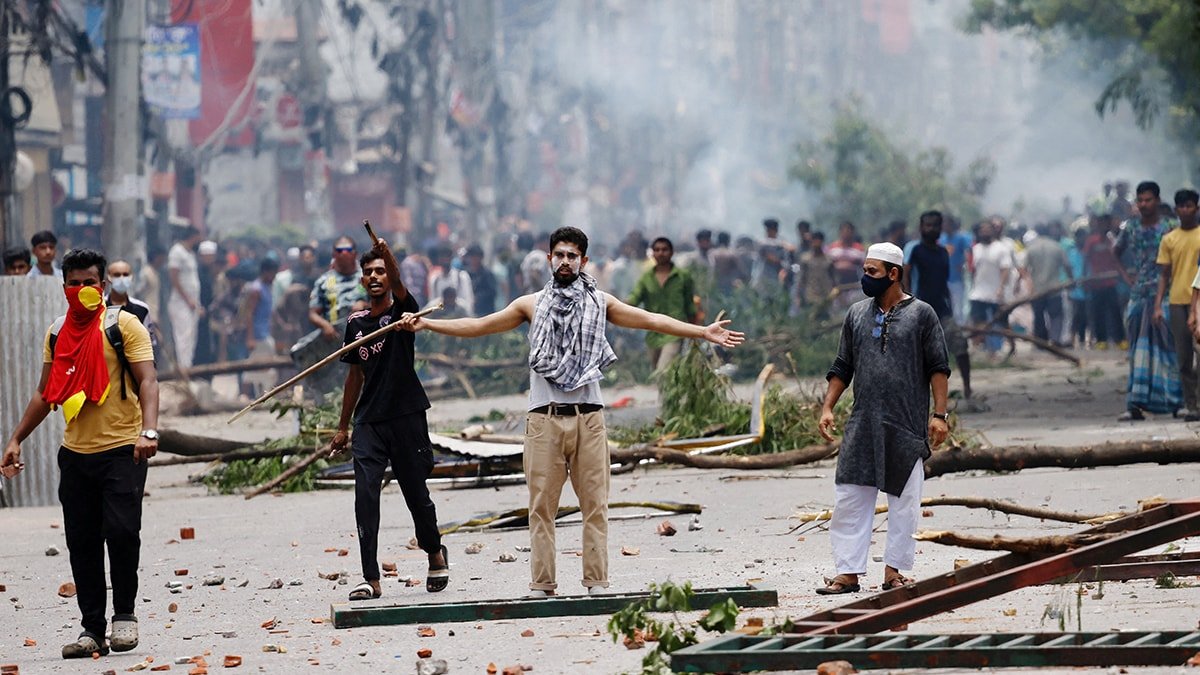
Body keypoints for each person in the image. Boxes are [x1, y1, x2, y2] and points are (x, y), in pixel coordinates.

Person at [397, 227, 744, 596]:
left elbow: (650, 319)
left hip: (589, 418)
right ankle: (542, 585)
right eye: (559, 255)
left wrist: (701, 332)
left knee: (595, 505)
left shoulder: (601, 302)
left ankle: (597, 582)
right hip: (543, 418)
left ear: (584, 261)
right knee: (541, 508)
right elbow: (480, 326)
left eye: (572, 256)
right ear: (550, 259)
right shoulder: (528, 304)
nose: (565, 261)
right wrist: (427, 323)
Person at [1, 248, 158, 659]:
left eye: (90, 282)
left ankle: (124, 615)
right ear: (64, 287)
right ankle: (92, 629)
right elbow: (44, 392)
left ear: (103, 286)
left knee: (122, 533)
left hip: (123, 449)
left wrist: (149, 430)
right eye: (74, 283)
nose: (82, 289)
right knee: (82, 542)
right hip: (75, 454)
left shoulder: (124, 326)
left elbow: (149, 382)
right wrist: (17, 438)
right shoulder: (57, 332)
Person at [815, 242, 950, 595]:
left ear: (894, 274)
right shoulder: (857, 314)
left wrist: (939, 415)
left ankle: (894, 572)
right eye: (864, 270)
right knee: (849, 497)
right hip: (862, 423)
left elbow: (938, 367)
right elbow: (843, 365)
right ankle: (847, 573)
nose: (865, 277)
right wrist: (828, 406)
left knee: (905, 503)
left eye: (871, 272)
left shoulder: (923, 314)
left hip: (904, 424)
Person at [330, 237, 449, 602]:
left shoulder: (403, 314)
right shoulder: (356, 324)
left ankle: (434, 552)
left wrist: (388, 254)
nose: (375, 276)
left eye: (380, 270)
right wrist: (343, 426)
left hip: (407, 416)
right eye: (369, 272)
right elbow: (354, 377)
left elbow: (400, 285)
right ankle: (371, 578)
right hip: (370, 422)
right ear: (363, 281)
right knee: (365, 495)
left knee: (416, 494)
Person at [1115, 181, 1180, 420]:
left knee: (1168, 347)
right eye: (1140, 200)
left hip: (1169, 292)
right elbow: (1116, 251)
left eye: (1148, 200)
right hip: (1140, 293)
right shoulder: (1130, 227)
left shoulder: (1171, 226)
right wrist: (1127, 277)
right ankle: (1136, 402)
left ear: (1158, 201)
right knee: (1138, 349)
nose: (1143, 205)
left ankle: (1175, 401)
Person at [904, 211, 973, 402]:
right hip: (919, 309)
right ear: (921, 227)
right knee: (917, 353)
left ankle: (967, 388)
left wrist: (949, 304)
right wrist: (907, 300)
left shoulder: (943, 252)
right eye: (927, 225)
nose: (931, 229)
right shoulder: (915, 250)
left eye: (935, 225)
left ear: (941, 228)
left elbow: (943, 282)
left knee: (959, 344)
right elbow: (906, 274)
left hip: (942, 309)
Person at [627, 237, 697, 372]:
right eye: (657, 250)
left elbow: (690, 305)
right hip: (653, 332)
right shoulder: (646, 278)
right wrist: (620, 303)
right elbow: (635, 298)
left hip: (675, 330)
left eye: (664, 250)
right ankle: (670, 394)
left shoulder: (683, 276)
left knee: (663, 370)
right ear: (652, 253)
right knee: (659, 373)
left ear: (671, 252)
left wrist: (695, 332)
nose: (661, 253)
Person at [1160, 189, 1200, 420]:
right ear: (1176, 210)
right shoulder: (1169, 239)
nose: (1185, 210)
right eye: (1181, 207)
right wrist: (1158, 304)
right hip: (1176, 300)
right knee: (1184, 357)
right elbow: (1164, 274)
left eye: (1189, 205)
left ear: (1196, 208)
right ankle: (1192, 405)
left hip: (1199, 301)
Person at [967, 220, 1013, 355]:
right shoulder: (976, 249)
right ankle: (978, 348)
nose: (985, 233)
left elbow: (1005, 269)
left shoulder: (1001, 248)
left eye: (987, 230)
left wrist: (1001, 287)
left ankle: (1012, 345)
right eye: (982, 230)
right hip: (978, 292)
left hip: (996, 292)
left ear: (993, 232)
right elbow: (973, 269)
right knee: (977, 321)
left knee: (1001, 321)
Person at [1024, 224, 1073, 345]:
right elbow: (1067, 266)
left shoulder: (1031, 248)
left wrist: (1028, 283)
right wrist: (1071, 279)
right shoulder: (1056, 247)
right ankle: (1055, 339)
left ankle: (1041, 341)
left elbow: (1024, 268)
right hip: (1054, 289)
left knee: (1039, 316)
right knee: (1056, 316)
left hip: (1037, 289)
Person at [238, 257, 280, 397]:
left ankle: (262, 394)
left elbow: (270, 311)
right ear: (265, 272)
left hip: (265, 332)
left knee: (265, 366)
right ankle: (245, 394)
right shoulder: (256, 289)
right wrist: (250, 337)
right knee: (255, 365)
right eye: (273, 273)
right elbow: (249, 314)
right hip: (257, 334)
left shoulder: (267, 287)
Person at [167, 226, 204, 369]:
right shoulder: (177, 252)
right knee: (183, 336)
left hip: (192, 303)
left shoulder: (190, 254)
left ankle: (188, 367)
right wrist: (187, 298)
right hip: (180, 302)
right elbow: (174, 278)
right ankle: (183, 368)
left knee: (191, 337)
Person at [106, 260, 158, 352]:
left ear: (131, 277)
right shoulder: (99, 307)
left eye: (125, 275)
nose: (121, 279)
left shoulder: (142, 309)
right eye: (117, 275)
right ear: (108, 277)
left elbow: (149, 343)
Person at [794, 231, 835, 319]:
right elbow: (801, 279)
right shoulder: (805, 259)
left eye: (818, 240)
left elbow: (834, 278)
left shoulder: (829, 260)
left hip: (825, 296)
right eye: (814, 240)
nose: (816, 243)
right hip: (810, 296)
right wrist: (798, 296)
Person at [464, 244, 498, 316]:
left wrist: (478, 298)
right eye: (471, 257)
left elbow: (492, 292)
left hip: (485, 312)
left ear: (481, 257)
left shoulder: (487, 274)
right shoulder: (465, 274)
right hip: (470, 312)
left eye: (475, 257)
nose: (472, 260)